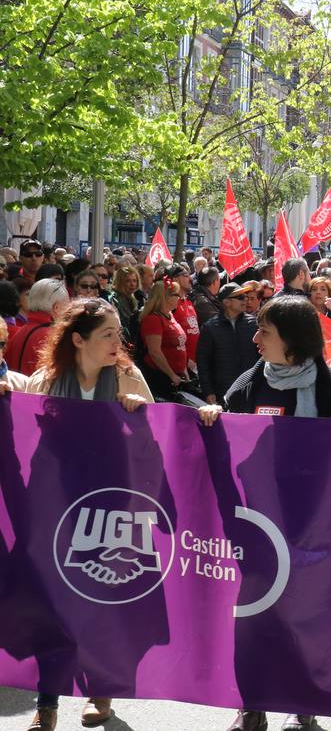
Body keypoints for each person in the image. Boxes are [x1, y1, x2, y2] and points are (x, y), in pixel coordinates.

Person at [197, 297, 331, 731]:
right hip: (261, 524)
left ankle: (303, 706)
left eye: (265, 332)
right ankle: (252, 704)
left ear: (293, 342)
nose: (255, 339)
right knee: (257, 615)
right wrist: (215, 416)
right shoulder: (248, 387)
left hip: (316, 524)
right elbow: (230, 439)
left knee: (310, 615)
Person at [23, 299, 157, 731]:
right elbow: (23, 438)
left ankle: (101, 690)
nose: (119, 342)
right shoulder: (44, 382)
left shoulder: (128, 377)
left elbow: (158, 445)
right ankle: (47, 706)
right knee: (52, 606)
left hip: (109, 507)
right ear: (78, 340)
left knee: (102, 602)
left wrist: (140, 417)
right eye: (108, 335)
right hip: (54, 507)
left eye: (119, 333)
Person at [197, 282, 260, 405]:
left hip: (251, 390)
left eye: (246, 296)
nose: (245, 300)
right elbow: (203, 363)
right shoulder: (210, 328)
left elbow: (262, 356)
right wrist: (208, 391)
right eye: (240, 297)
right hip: (223, 393)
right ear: (226, 302)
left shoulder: (254, 324)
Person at [138, 279, 190, 401]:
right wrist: (171, 374)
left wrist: (183, 370)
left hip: (176, 378)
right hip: (161, 378)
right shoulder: (153, 319)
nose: (180, 297)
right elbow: (154, 352)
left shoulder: (170, 316)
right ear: (164, 297)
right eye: (176, 294)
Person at [5, 277, 68, 376]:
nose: (68, 311)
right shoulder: (53, 336)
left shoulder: (19, 333)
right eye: (67, 306)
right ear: (56, 308)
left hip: (16, 390)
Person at [108, 265, 141, 348]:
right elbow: (125, 325)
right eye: (128, 281)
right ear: (120, 282)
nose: (132, 284)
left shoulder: (132, 298)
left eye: (134, 280)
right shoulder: (118, 299)